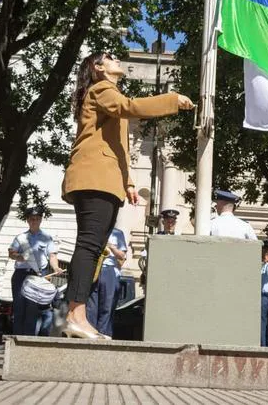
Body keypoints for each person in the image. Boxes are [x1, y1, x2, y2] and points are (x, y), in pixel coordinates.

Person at [60, 51, 192, 340]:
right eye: (109, 57)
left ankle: (77, 316)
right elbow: (129, 107)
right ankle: (74, 315)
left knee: (93, 248)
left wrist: (129, 182)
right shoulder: (103, 89)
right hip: (94, 177)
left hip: (105, 179)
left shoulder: (107, 93)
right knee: (89, 245)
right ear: (98, 67)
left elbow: (117, 145)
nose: (115, 59)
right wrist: (171, 100)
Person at [9, 206, 61, 336]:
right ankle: (17, 338)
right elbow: (11, 253)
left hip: (38, 275)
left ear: (41, 220)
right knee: (19, 307)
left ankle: (28, 339)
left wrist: (56, 268)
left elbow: (52, 256)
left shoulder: (47, 238)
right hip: (21, 275)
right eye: (32, 219)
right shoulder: (20, 238)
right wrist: (19, 257)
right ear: (27, 220)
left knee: (32, 309)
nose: (34, 221)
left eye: (37, 219)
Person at [87, 227, 128, 338]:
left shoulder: (118, 233)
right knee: (91, 307)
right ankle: (91, 334)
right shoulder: (94, 230)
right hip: (94, 269)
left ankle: (103, 334)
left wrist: (111, 247)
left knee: (107, 306)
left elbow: (122, 256)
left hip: (109, 270)